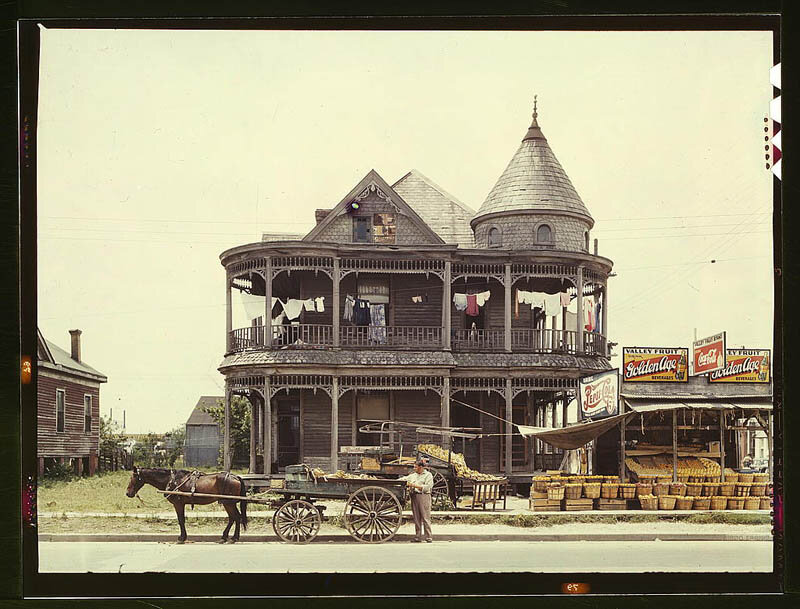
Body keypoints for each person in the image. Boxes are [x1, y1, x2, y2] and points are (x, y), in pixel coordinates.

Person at [400, 457, 434, 542]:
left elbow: (427, 487)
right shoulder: (413, 475)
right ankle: (418, 536)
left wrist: (414, 486)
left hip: (424, 496)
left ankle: (428, 536)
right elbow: (404, 479)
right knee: (416, 517)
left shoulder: (428, 475)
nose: (414, 468)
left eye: (415, 467)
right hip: (414, 496)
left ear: (421, 467)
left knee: (425, 517)